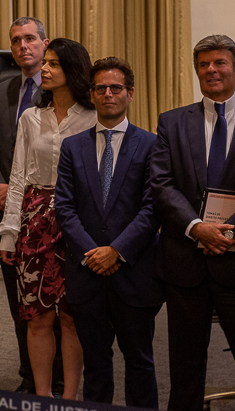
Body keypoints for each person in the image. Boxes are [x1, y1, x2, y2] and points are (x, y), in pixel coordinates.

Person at [151, 34, 235, 411]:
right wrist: (195, 226)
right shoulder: (171, 122)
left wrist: (229, 230)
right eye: (203, 64)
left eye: (220, 63)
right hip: (186, 262)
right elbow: (161, 183)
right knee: (185, 366)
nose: (211, 70)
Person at [56, 57, 162, 407]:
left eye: (116, 88)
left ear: (130, 94)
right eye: (100, 88)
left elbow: (152, 208)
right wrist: (94, 253)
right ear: (91, 94)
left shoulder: (150, 145)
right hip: (87, 273)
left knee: (140, 363)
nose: (108, 94)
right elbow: (65, 209)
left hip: (134, 272)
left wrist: (116, 250)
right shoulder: (72, 147)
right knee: (96, 366)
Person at [0, 38, 97, 399]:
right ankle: (43, 396)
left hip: (79, 219)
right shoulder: (30, 117)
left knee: (71, 315)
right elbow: (19, 175)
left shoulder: (94, 115)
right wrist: (9, 232)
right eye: (46, 63)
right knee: (38, 316)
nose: (45, 69)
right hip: (35, 222)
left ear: (73, 70)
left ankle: (69, 398)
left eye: (53, 64)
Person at [0, 16, 53, 394]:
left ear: (45, 43)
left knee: (56, 300)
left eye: (30, 39)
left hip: (51, 209)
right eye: (16, 40)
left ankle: (59, 376)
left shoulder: (63, 85)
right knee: (21, 299)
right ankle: (30, 377)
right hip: (9, 206)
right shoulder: (2, 89)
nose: (22, 46)